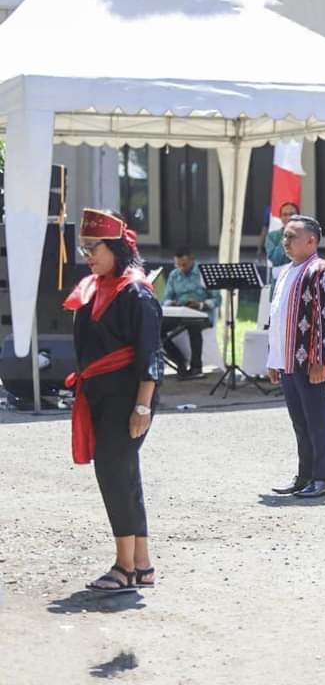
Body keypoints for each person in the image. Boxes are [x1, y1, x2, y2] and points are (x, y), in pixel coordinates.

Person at [64, 209, 162, 592]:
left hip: (128, 395)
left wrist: (142, 406)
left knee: (113, 472)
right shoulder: (92, 287)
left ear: (116, 247)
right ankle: (142, 564)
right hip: (100, 393)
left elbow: (150, 354)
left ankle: (124, 566)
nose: (88, 255)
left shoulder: (136, 291)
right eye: (84, 248)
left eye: (94, 247)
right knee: (124, 473)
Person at [267, 215, 325, 499]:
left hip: (308, 361)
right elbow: (277, 317)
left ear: (311, 240)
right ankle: (305, 475)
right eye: (284, 236)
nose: (285, 242)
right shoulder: (287, 271)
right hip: (287, 359)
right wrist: (273, 358)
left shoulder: (320, 271)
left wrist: (320, 360)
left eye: (291, 236)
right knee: (300, 421)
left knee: (316, 420)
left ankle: (322, 478)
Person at [160, 246, 219, 380]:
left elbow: (217, 299)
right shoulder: (174, 275)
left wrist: (201, 304)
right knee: (157, 328)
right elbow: (166, 298)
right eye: (178, 265)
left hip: (201, 314)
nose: (181, 268)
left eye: (184, 265)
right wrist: (171, 303)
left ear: (192, 259)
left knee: (194, 324)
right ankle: (180, 361)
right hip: (180, 313)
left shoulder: (203, 273)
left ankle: (196, 368)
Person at [265, 202, 300, 268]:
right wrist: (286, 236)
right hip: (280, 273)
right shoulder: (272, 236)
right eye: (285, 214)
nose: (288, 217)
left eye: (291, 214)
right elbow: (276, 260)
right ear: (280, 217)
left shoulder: (306, 235)